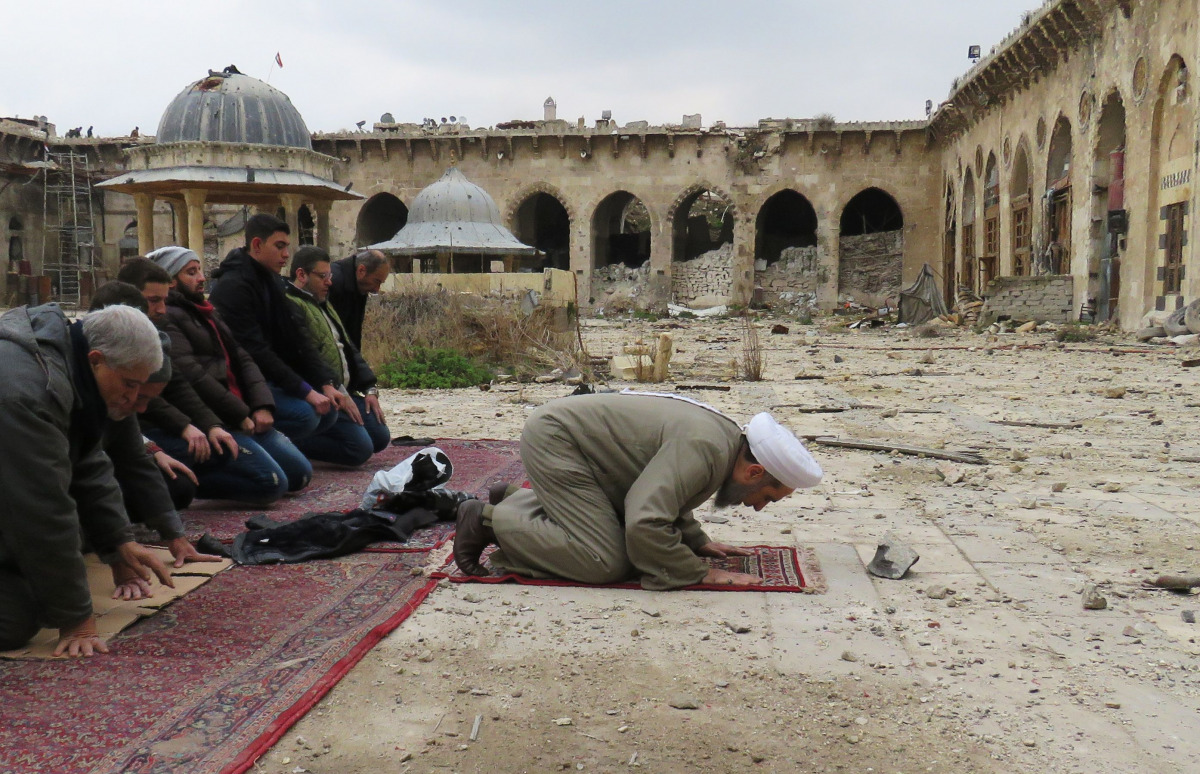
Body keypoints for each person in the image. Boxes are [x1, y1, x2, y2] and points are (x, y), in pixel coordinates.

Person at [453, 392, 823, 590]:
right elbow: (645, 519)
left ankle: (519, 499)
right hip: (559, 442)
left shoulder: (722, 443)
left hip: (580, 449)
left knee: (622, 542)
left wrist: (694, 538)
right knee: (605, 561)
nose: (759, 508)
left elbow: (667, 490)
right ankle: (488, 521)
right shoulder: (706, 448)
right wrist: (695, 571)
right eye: (767, 497)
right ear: (755, 470)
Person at [0, 304, 174, 656]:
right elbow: (41, 509)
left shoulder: (67, 362)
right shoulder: (27, 391)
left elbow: (87, 459)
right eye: (129, 384)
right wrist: (76, 618)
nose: (132, 399)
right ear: (96, 359)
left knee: (43, 580)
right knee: (16, 620)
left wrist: (117, 541)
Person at [147, 245, 312, 499]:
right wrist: (239, 414)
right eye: (191, 272)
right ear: (171, 281)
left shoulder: (208, 311)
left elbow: (243, 358)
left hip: (238, 412)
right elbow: (192, 377)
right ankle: (183, 479)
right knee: (272, 483)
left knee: (300, 474)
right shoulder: (169, 317)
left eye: (200, 270)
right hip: (217, 418)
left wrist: (261, 405)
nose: (201, 278)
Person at [208, 215, 341, 447]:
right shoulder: (233, 287)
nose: (286, 254)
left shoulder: (271, 281)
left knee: (331, 413)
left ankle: (290, 448)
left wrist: (324, 383)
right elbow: (255, 352)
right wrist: (306, 391)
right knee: (306, 415)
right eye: (279, 247)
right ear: (257, 245)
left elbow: (296, 337)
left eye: (287, 247)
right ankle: (262, 443)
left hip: (274, 378)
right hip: (248, 386)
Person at [285, 245, 389, 465]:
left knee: (380, 436)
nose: (329, 282)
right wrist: (340, 392)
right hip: (325, 393)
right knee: (359, 449)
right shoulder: (293, 305)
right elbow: (310, 358)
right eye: (323, 276)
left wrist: (369, 387)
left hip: (344, 389)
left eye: (329, 276)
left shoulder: (322, 302)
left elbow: (348, 346)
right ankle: (291, 443)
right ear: (302, 275)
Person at [328, 249, 390, 351]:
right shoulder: (333, 284)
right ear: (361, 270)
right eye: (376, 281)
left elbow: (352, 336)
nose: (377, 289)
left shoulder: (358, 286)